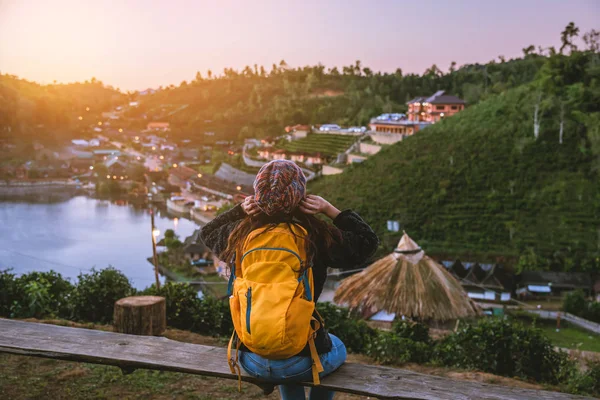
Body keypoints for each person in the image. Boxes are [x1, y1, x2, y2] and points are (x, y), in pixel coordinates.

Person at [200, 159, 379, 400]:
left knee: (287, 352)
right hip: (299, 360)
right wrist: (330, 210)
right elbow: (367, 241)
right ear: (300, 196)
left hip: (251, 356)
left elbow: (206, 232)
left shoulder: (241, 236)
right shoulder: (315, 237)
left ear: (258, 195)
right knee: (334, 348)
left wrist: (240, 210)